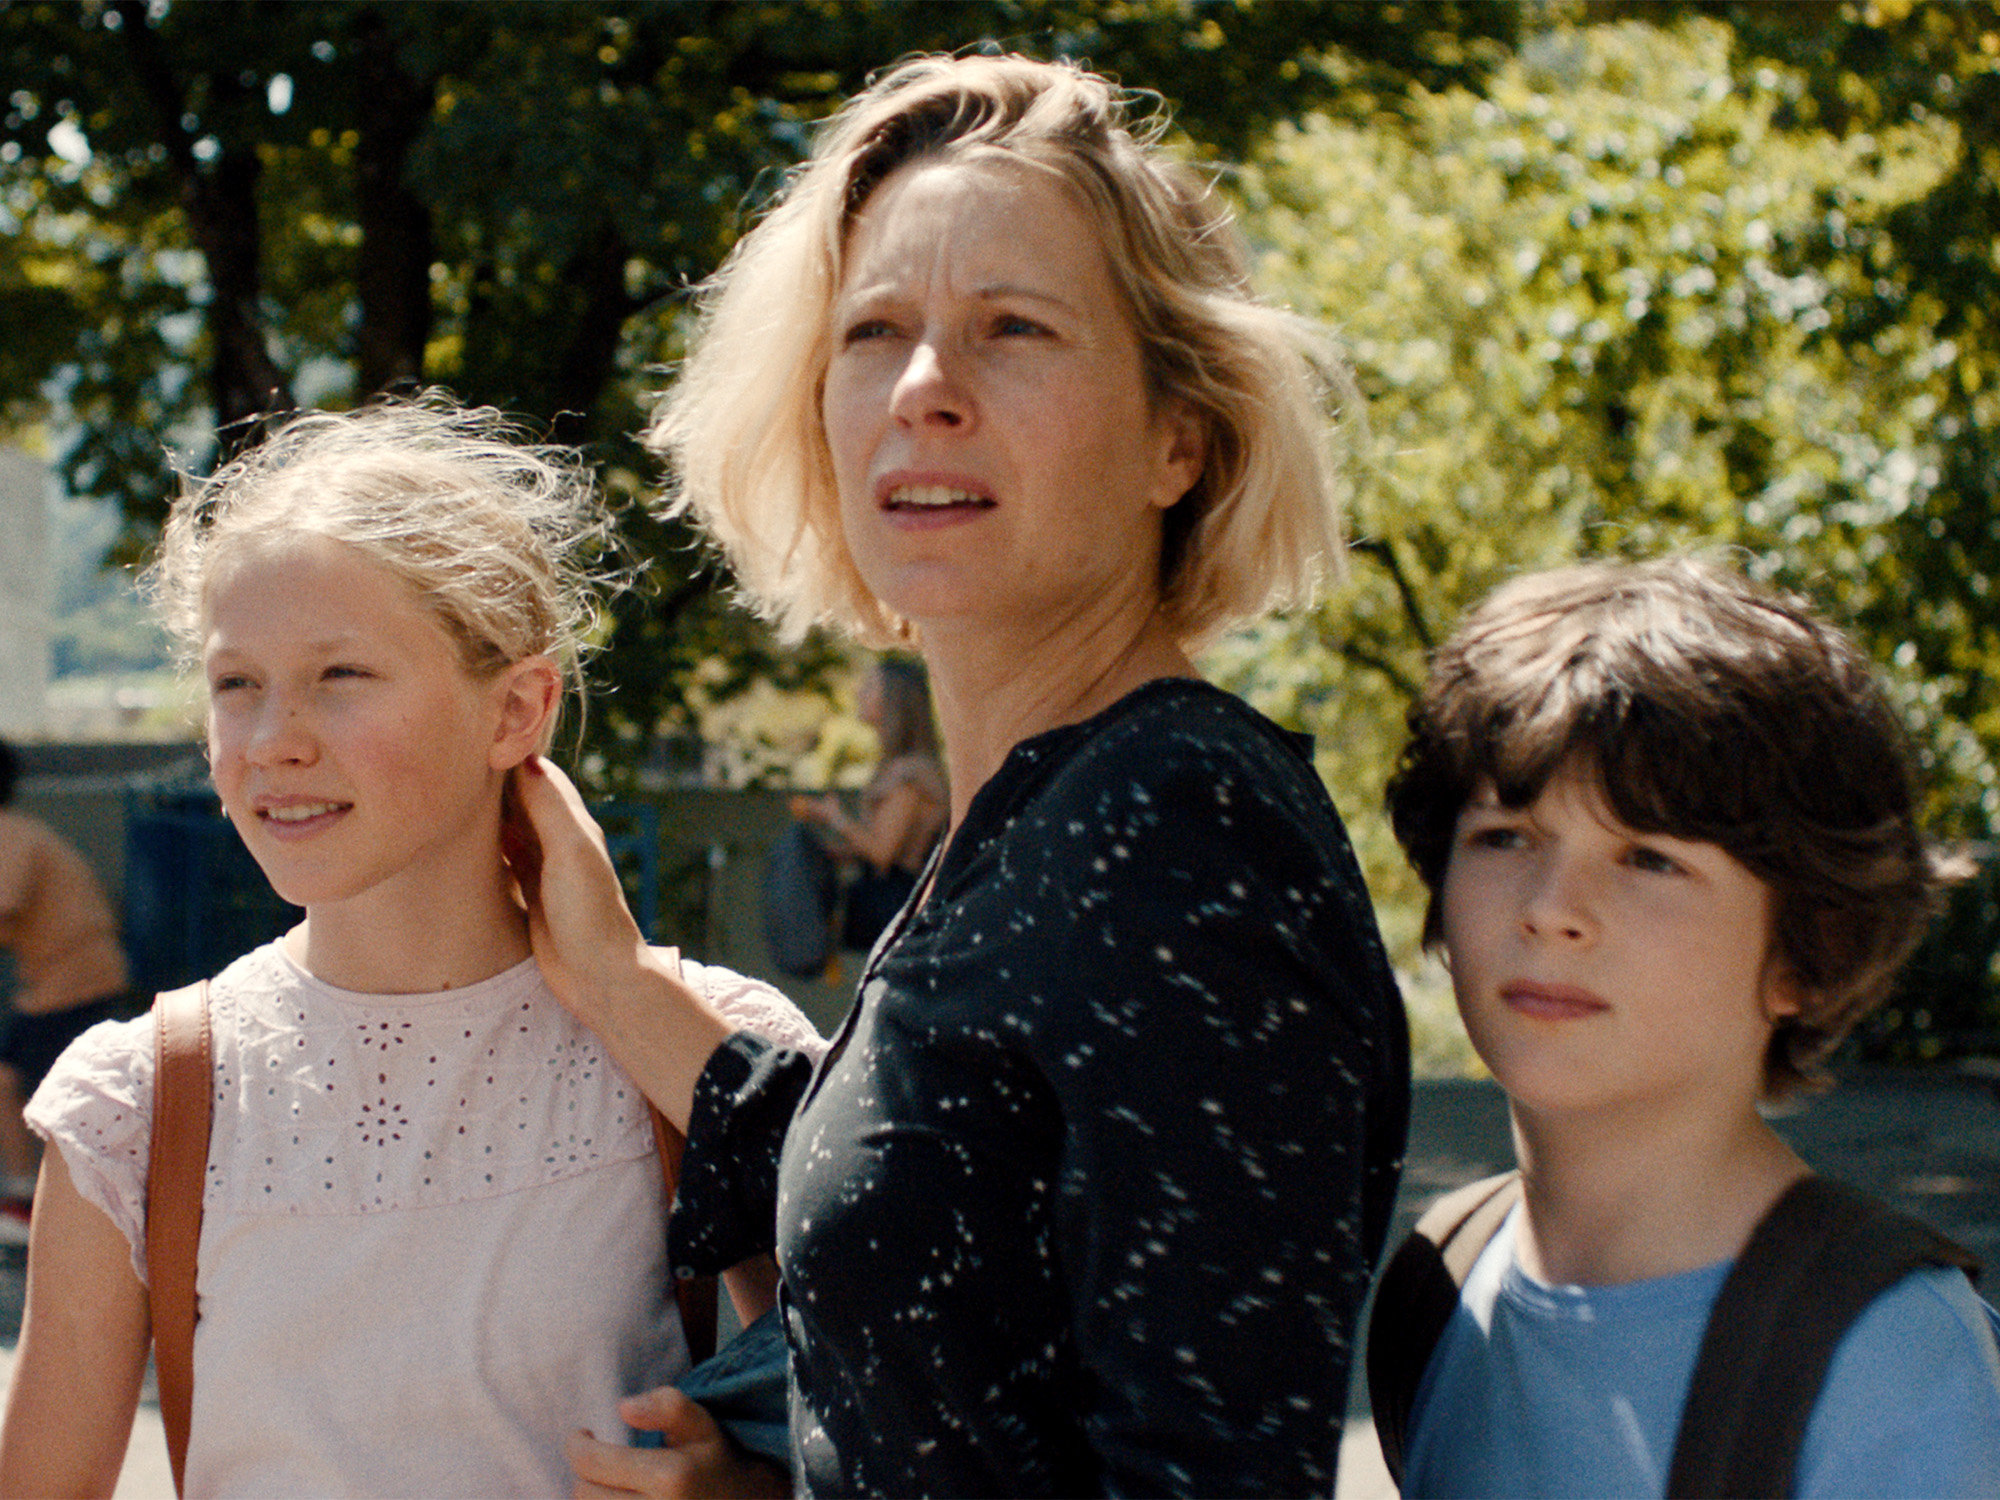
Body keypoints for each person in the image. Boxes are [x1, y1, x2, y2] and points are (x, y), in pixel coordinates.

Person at [513, 52, 1411, 1498]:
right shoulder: (1039, 813)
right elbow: (938, 1203)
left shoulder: (1179, 828)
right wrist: (611, 981)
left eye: (1013, 329)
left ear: (1176, 440)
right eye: (874, 331)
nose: (923, 389)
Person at [0, 396, 822, 1498]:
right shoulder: (138, 1104)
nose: (275, 740)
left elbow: (904, 1408)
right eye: (235, 684)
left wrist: (744, 1486)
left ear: (516, 710)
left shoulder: (703, 1052)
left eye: (341, 677)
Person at [1379, 555, 2000, 1497]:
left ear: (1806, 950)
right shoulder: (1439, 1288)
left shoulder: (1890, 1364)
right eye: (1505, 836)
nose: (1552, 909)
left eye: (1649, 859)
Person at [0, 740, 137, 1241]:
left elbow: (5, 907)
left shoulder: (9, 834)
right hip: (66, 981)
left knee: (31, 1091)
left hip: (73, 983)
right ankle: (30, 1201)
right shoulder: (21, 831)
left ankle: (38, 1208)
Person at [789, 656, 947, 953]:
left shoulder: (910, 774)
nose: (858, 692)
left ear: (895, 699)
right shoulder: (895, 767)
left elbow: (883, 854)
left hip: (905, 918)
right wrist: (833, 850)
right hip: (895, 912)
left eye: (870, 686)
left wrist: (836, 818)